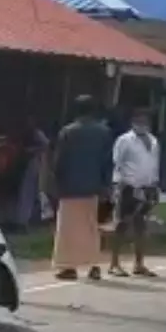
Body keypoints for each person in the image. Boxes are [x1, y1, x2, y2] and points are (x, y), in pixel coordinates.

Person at [50, 95, 113, 281]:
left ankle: (68, 267)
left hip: (70, 187)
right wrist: (105, 186)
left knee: (67, 229)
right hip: (93, 187)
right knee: (91, 227)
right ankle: (94, 265)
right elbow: (107, 162)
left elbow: (59, 161)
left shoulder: (67, 132)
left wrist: (56, 183)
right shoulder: (104, 132)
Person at [109, 107, 162, 278]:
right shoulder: (124, 140)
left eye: (146, 121)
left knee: (141, 225)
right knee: (122, 224)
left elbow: (154, 164)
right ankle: (114, 263)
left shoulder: (153, 141)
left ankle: (139, 264)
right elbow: (117, 163)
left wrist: (155, 184)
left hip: (148, 187)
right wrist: (119, 186)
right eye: (139, 121)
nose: (143, 124)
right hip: (129, 187)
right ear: (132, 122)